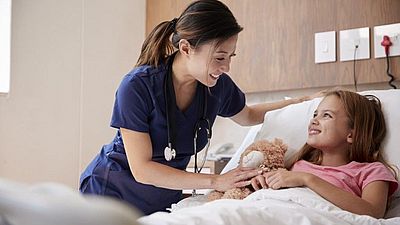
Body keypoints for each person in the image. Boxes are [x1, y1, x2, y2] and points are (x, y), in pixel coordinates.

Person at [79, 0, 320, 215]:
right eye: (219, 57)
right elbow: (142, 169)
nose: (226, 67)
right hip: (110, 194)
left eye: (230, 57)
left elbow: (248, 115)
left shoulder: (217, 86)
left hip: (161, 201)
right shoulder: (137, 86)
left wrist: (301, 102)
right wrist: (216, 181)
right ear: (185, 48)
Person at [250, 90, 399, 218]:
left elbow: (372, 213)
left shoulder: (371, 171)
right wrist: (263, 182)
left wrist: (307, 179)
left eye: (326, 115)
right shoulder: (297, 164)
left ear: (351, 134)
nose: (314, 120)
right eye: (315, 114)